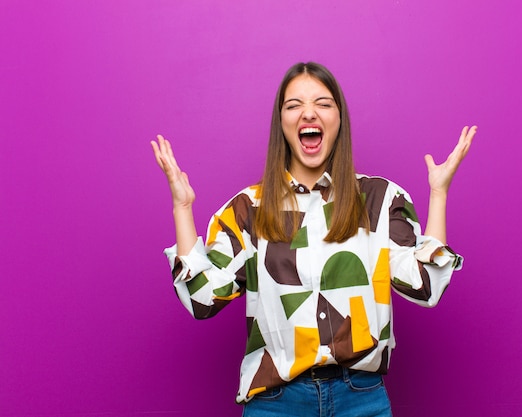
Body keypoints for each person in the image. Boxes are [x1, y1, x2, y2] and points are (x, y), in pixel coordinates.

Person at [151, 62, 476, 417]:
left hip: (361, 398)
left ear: (339, 119)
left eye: (323, 103)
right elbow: (202, 299)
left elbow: (426, 286)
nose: (309, 112)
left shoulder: (380, 199)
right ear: (282, 124)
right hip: (275, 403)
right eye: (294, 105)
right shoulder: (249, 209)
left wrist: (439, 194)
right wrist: (182, 208)